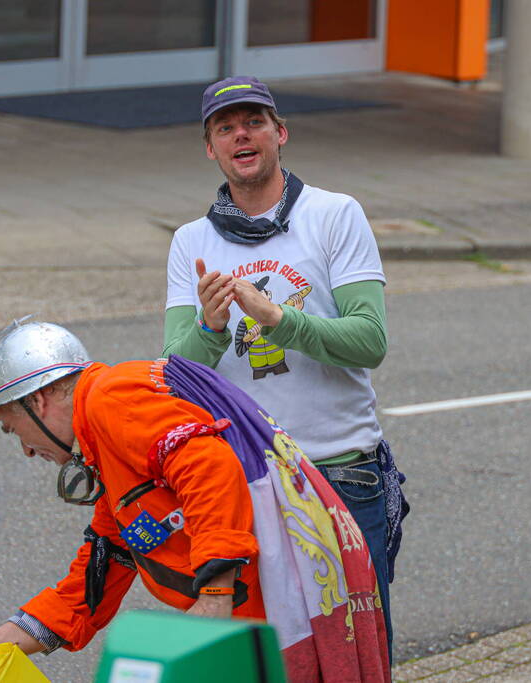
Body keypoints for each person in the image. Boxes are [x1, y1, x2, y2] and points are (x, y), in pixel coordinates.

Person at [0, 318, 390, 682]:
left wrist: (215, 594)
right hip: (260, 620)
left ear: (39, 401)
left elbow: (208, 466)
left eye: (11, 428)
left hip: (270, 613)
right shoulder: (107, 453)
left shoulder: (107, 397)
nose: (24, 449)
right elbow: (92, 581)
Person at [164, 76, 408, 652]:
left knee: (356, 654)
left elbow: (370, 340)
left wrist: (279, 320)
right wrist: (211, 327)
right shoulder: (189, 241)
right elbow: (175, 372)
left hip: (339, 471)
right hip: (242, 481)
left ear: (280, 134)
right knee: (272, 656)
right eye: (225, 128)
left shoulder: (334, 215)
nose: (240, 136)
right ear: (210, 148)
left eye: (253, 123)